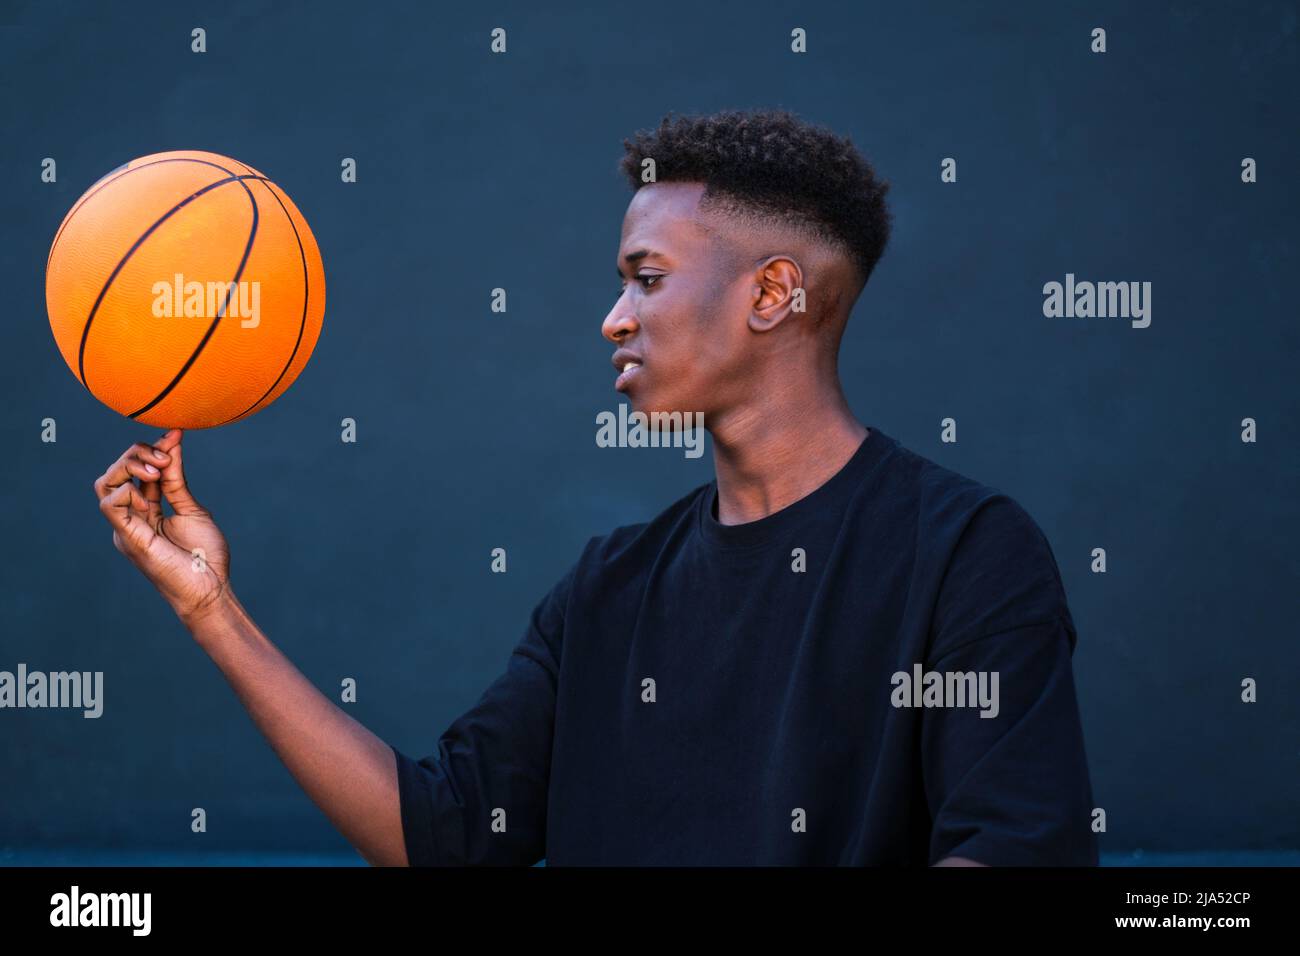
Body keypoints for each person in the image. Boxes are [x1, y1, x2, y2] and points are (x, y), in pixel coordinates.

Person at [94, 108, 1098, 866]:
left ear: (774, 292)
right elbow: (441, 834)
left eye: (645, 277)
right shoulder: (607, 588)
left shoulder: (968, 552)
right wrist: (212, 609)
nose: (612, 319)